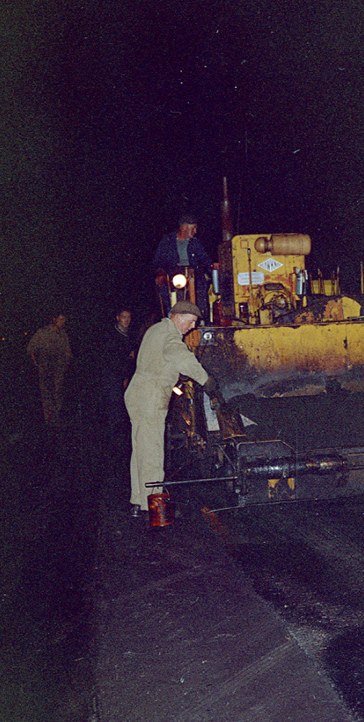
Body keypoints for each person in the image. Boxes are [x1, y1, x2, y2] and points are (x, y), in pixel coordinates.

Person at [124, 300, 215, 518]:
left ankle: (138, 500)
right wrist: (206, 379)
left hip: (139, 392)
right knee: (153, 451)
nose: (192, 327)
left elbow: (162, 360)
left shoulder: (156, 329)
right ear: (179, 316)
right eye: (191, 322)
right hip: (150, 396)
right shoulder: (171, 335)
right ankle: (153, 507)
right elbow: (180, 356)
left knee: (141, 448)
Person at [152, 214, 212, 320]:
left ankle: (200, 317)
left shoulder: (195, 243)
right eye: (193, 228)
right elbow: (158, 261)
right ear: (183, 228)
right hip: (173, 274)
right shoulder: (167, 241)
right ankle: (169, 314)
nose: (195, 231)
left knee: (201, 284)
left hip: (192, 274)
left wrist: (213, 266)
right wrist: (160, 273)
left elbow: (205, 260)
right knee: (162, 284)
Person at [102, 308, 135, 466]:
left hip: (123, 376)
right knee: (115, 405)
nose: (126, 320)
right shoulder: (113, 336)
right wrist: (122, 375)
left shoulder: (128, 335)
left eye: (128, 317)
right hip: (114, 377)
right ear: (118, 318)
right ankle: (114, 441)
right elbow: (113, 358)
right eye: (123, 317)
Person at [27, 311, 72, 425]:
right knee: (46, 392)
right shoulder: (43, 332)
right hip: (45, 366)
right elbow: (31, 348)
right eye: (60, 319)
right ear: (54, 319)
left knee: (58, 391)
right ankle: (49, 419)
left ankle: (57, 416)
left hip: (58, 368)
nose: (62, 322)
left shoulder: (63, 334)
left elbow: (67, 351)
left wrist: (66, 364)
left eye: (64, 320)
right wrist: (36, 363)